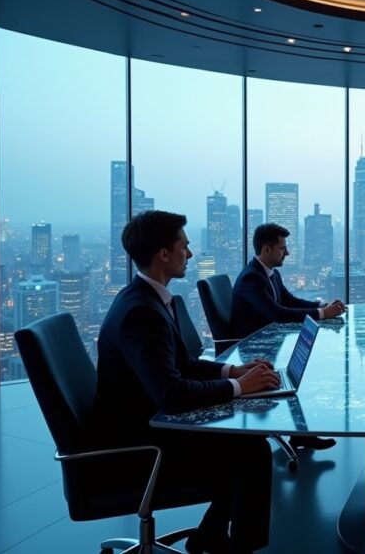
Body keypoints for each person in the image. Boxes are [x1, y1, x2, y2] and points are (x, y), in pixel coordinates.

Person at [93, 210, 280, 554]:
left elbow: (183, 364)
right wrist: (240, 389)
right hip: (141, 445)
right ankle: (241, 548)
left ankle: (209, 536)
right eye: (185, 246)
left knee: (245, 443)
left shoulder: (149, 299)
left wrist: (232, 373)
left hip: (150, 421)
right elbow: (172, 393)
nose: (190, 254)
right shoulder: (142, 312)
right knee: (252, 450)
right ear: (164, 254)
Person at [231, 222, 344, 451]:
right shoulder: (252, 278)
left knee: (303, 369)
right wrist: (322, 314)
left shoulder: (270, 274)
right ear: (266, 250)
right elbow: (278, 313)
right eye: (283, 248)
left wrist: (322, 305)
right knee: (305, 373)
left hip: (271, 343)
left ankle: (301, 434)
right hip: (253, 351)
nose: (288, 252)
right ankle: (300, 434)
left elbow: (289, 300)